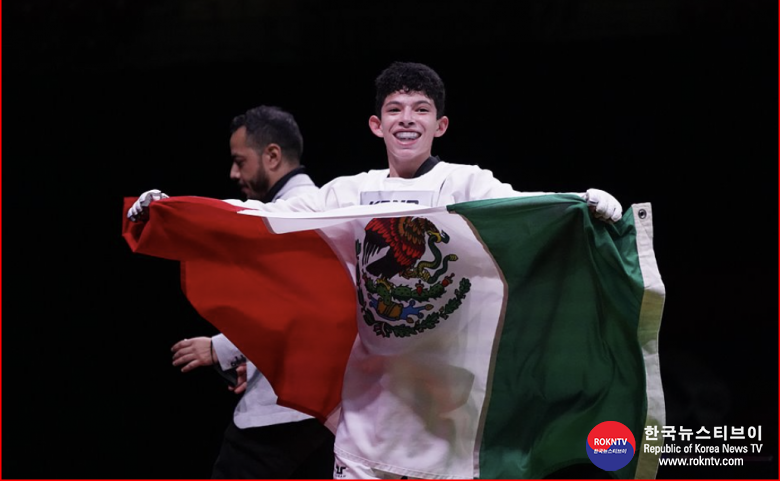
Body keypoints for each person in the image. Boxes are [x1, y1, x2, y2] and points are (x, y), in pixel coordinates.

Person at [128, 62, 624, 479]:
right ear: (376, 124)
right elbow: (262, 220)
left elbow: (533, 214)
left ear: (440, 125)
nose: (407, 120)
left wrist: (583, 206)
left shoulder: (468, 183)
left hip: (452, 419)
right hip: (369, 417)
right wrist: (176, 210)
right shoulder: (349, 193)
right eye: (395, 110)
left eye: (421, 110)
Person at [166, 106, 335, 479]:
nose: (233, 173)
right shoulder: (304, 206)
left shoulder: (295, 213)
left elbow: (299, 305)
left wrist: (220, 347)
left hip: (287, 412)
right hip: (318, 411)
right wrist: (258, 358)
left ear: (272, 155)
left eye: (240, 161)